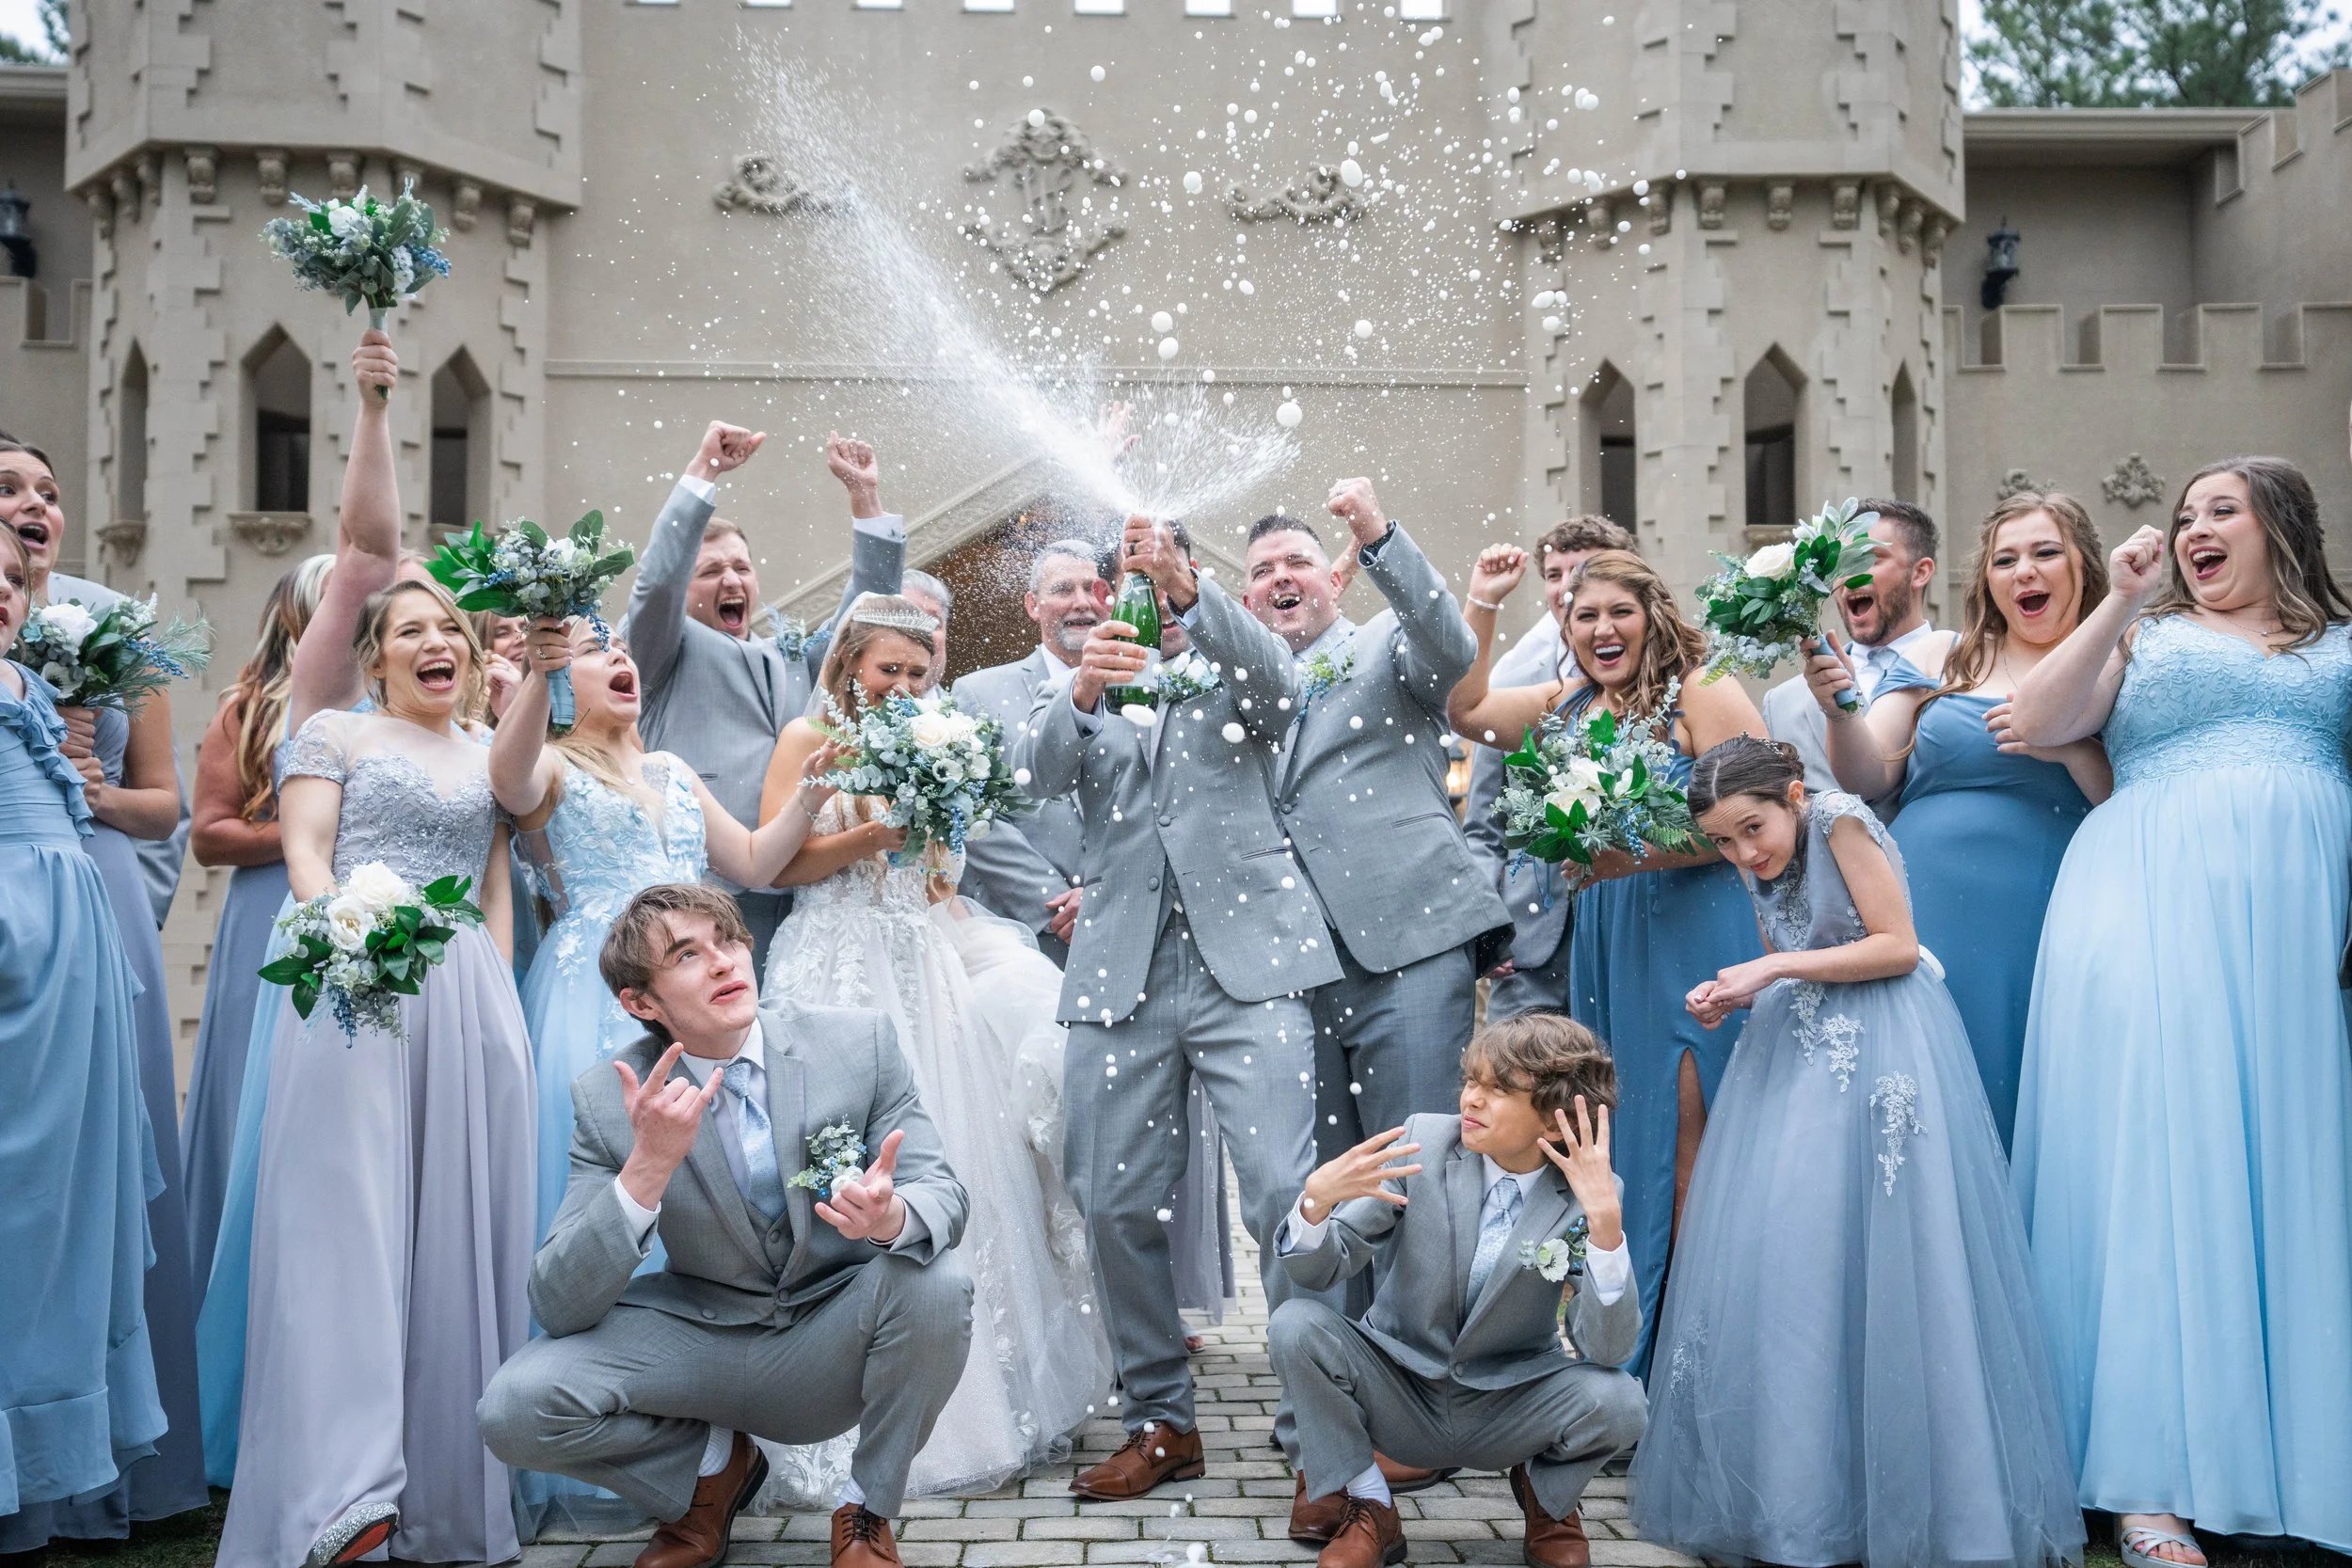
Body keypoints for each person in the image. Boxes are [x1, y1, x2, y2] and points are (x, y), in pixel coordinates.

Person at [2006, 457, 2352, 1562]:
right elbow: (2034, 713)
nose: (2192, 528)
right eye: (2183, 513)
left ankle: (2298, 1460)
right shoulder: (2141, 635)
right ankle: (2143, 1480)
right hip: (2147, 901)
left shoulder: (2341, 646)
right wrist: (2119, 597)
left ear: (2278, 528)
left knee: (2290, 1164)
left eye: (2219, 511)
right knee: (2159, 1154)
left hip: (2300, 927)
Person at [1635, 738, 2082, 1567]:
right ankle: (1798, 1504)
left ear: (1795, 792)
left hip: (1883, 1046)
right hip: (1795, 1053)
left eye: (1753, 829)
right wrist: (1737, 989)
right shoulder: (1759, 846)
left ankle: (1927, 1505)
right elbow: (1794, 938)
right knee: (1793, 1261)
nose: (1745, 853)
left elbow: (1897, 944)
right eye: (1725, 842)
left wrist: (1767, 966)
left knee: (1896, 1261)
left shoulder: (1843, 821)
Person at [476, 882, 974, 1568]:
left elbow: (943, 1193)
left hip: (832, 1332)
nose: (723, 962)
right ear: (641, 1002)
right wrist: (646, 1166)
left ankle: (865, 1512)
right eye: (687, 953)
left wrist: (891, 1217)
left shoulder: (858, 1042)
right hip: (702, 1338)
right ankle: (711, 1474)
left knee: (938, 1280)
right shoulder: (608, 1098)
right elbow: (558, 1302)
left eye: (729, 939)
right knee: (513, 1408)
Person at [752, 594, 1110, 1503]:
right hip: (832, 963)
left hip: (917, 959)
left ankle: (961, 1390)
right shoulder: (809, 740)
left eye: (918, 671)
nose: (907, 685)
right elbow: (775, 864)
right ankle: (824, 1391)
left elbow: (942, 876)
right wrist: (874, 832)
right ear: (849, 668)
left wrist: (932, 821)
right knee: (830, 1163)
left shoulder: (941, 736)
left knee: (949, 1155)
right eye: (889, 670)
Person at [1012, 514, 1342, 1499]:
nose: (1143, 592)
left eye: (1161, 577)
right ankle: (1160, 1418)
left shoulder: (1237, 655)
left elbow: (1282, 696)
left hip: (1251, 967)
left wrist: (1193, 592)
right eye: (1133, 578)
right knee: (1111, 1196)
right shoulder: (1085, 683)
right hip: (1121, 972)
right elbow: (1030, 778)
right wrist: (1083, 686)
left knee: (1287, 1192)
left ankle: (1315, 1434)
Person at [217, 572, 537, 1568]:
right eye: (411, 628)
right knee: (344, 1232)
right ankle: (340, 1499)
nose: (437, 639)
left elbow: (494, 890)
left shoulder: (488, 756)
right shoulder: (333, 736)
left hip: (466, 1001)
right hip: (355, 990)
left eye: (451, 626)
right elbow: (308, 856)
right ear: (375, 656)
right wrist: (348, 943)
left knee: (453, 1239)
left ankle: (441, 1500)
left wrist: (503, 1018)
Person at [1449, 546, 1763, 1378]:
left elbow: (1760, 810)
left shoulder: (1702, 688)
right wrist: (1482, 600)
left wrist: (1628, 854)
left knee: (1690, 1148)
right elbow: (1466, 706)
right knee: (1626, 1149)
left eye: (1617, 611)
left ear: (1653, 611)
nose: (1601, 628)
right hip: (1611, 940)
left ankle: (1690, 1371)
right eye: (1583, 616)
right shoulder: (1568, 703)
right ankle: (1629, 1351)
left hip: (1699, 934)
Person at [192, 331, 409, 1489]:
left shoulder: (453, 709)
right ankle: (317, 1440)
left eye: (437, 620)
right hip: (332, 949)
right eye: (385, 614)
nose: (417, 629)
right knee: (321, 1189)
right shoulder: (301, 703)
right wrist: (374, 402)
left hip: (440, 975)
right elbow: (370, 546)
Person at [0, 435, 210, 1545]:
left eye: (47, 490)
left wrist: (83, 776)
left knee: (119, 1167)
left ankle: (126, 1470)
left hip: (100, 896)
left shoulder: (113, 626)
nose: (35, 507)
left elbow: (161, 805)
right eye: (9, 492)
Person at [1268, 1014, 1646, 1568]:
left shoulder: (1590, 1190)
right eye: (1472, 1080)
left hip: (1509, 1402)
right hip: (1398, 1387)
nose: (1471, 1099)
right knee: (1295, 1325)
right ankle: (1370, 1506)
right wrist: (1316, 1206)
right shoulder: (1425, 1140)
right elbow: (1322, 1270)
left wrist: (1606, 1228)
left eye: (1498, 1089)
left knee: (1622, 1401)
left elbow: (1607, 1351)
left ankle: (1548, 1501)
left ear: (1554, 1115)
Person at [1799, 491, 2112, 1145]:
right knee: (1909, 1088)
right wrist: (1838, 713)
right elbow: (1870, 773)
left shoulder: (2115, 659)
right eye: (2005, 559)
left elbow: (2127, 793)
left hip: (2040, 909)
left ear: (2083, 564)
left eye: (2045, 552)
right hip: (1920, 903)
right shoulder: (1950, 654)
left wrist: (2066, 748)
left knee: (2010, 1082)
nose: (2024, 570)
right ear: (1986, 580)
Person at [1243, 482, 1510, 1201]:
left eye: (1296, 561)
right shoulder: (1234, 694)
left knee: (1416, 1163)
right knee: (1335, 1178)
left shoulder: (1386, 645)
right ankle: (1343, 1316)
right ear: (1245, 604)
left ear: (1334, 578)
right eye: (1263, 571)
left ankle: (1418, 1318)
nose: (1281, 578)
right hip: (1295, 969)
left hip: (1410, 941)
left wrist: (1377, 531)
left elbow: (1450, 643)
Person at [622, 424, 906, 971]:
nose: (731, 579)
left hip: (804, 889)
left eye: (741, 568)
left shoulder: (797, 656)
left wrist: (865, 499)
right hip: (705, 893)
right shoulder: (660, 648)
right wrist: (705, 471)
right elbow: (656, 584)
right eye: (710, 571)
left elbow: (868, 611)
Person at [182, 551, 335, 1301]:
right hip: (266, 911)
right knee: (257, 1087)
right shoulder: (246, 709)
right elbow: (208, 834)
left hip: (354, 901)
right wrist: (307, 833)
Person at [1460, 516, 1632, 1022]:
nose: (1565, 588)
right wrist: (1488, 927)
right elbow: (1485, 825)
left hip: (1631, 924)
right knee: (1517, 1085)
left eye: (1581, 572)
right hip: (1531, 943)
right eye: (1555, 575)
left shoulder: (1660, 673)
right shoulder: (1513, 679)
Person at [951, 537, 1101, 958]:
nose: (1081, 603)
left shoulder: (1142, 689)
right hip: (1029, 934)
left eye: (1092, 588)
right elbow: (972, 815)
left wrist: (1109, 894)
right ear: (1033, 605)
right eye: (1063, 590)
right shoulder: (978, 692)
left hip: (1132, 920)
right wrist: (1054, 901)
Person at [1759, 499, 1944, 807]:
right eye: (1840, 565)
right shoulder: (1782, 704)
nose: (1848, 578)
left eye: (1869, 558)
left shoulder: (1967, 669)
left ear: (1920, 572)